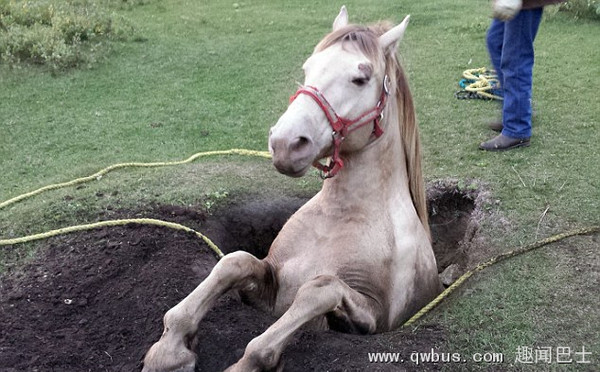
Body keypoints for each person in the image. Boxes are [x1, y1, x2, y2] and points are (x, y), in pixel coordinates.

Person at [479, 0, 565, 151]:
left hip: (526, 2)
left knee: (516, 57)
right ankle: (517, 109)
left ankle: (517, 128)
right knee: (495, 41)